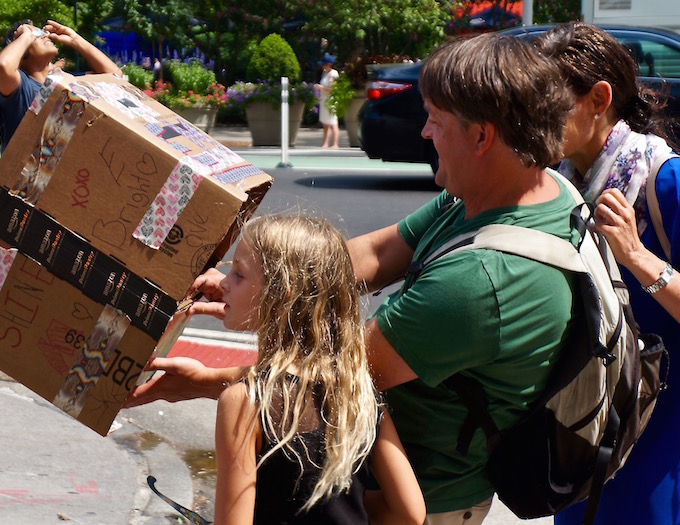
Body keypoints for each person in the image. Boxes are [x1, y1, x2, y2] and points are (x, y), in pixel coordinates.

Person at [127, 32, 577, 524]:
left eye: (435, 120)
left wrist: (209, 380)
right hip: (387, 494)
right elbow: (374, 252)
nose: (425, 132)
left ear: (482, 136)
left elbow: (327, 373)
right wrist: (268, 283)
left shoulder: (479, 282)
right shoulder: (520, 188)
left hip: (430, 497)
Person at [535, 22, 680, 525]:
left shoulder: (665, 181)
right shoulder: (557, 185)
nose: (534, 117)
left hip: (660, 423)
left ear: (599, 98)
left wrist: (637, 256)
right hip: (586, 417)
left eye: (549, 102)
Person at [210, 214, 425, 524]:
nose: (223, 284)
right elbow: (411, 513)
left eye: (238, 275)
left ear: (281, 292)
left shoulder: (246, 403)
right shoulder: (359, 395)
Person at [0, 19, 121, 152]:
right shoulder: (23, 88)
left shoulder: (66, 82)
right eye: (36, 33)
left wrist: (75, 39)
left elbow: (115, 77)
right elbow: (3, 66)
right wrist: (25, 35)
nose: (45, 34)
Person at [314, 53, 339, 149]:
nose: (322, 66)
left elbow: (331, 89)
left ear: (328, 64)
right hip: (324, 100)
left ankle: (335, 144)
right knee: (325, 123)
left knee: (333, 122)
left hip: (331, 101)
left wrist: (321, 88)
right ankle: (325, 143)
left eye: (324, 64)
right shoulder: (324, 73)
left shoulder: (334, 74)